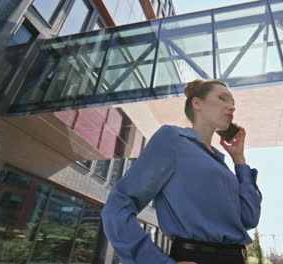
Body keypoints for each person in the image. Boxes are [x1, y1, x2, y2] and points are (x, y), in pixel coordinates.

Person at [101, 79, 262, 264]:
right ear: (197, 103)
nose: (231, 107)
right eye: (223, 99)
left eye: (233, 104)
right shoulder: (172, 138)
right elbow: (118, 205)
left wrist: (239, 159)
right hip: (197, 256)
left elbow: (249, 219)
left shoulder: (221, 164)